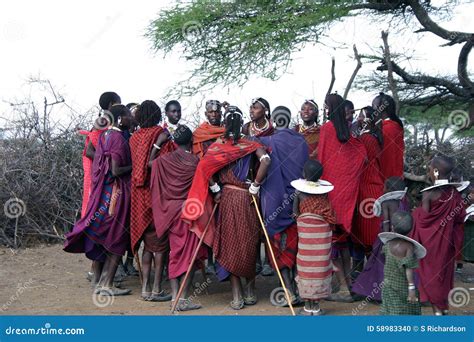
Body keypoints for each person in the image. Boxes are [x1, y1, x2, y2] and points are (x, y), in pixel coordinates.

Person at [182, 106, 271, 310]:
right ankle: (249, 292)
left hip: (228, 197)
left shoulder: (218, 145)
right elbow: (266, 160)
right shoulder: (251, 143)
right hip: (248, 198)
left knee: (230, 245)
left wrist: (215, 189)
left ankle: (237, 296)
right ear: (241, 124)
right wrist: (256, 186)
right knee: (248, 244)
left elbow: (204, 167)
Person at [64, 104, 132, 296]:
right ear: (119, 119)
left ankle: (98, 280)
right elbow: (116, 170)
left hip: (103, 193)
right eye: (127, 116)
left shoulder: (104, 136)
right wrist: (134, 167)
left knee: (104, 235)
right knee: (117, 236)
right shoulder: (118, 138)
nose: (131, 119)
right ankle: (107, 285)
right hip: (116, 194)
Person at [151, 125, 207, 311]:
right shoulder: (195, 162)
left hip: (170, 211)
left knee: (175, 254)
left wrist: (158, 145)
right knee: (189, 255)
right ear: (191, 142)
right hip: (189, 211)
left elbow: (150, 164)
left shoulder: (164, 159)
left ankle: (175, 297)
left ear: (174, 142)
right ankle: (182, 299)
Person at [317, 93, 367, 302]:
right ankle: (348, 285)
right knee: (342, 243)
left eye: (326, 105)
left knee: (331, 243)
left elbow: (322, 159)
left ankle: (343, 289)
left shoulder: (328, 129)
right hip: (346, 196)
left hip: (330, 193)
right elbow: (361, 154)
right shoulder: (348, 131)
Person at [258, 122, 309, 306]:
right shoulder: (302, 141)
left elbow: (249, 143)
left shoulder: (268, 140)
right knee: (296, 250)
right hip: (298, 201)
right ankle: (302, 292)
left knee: (279, 248)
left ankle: (288, 292)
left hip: (275, 202)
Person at [412, 155, 466, 315]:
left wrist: (415, 213)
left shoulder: (428, 194)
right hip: (447, 243)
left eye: (429, 168)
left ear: (435, 172)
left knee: (430, 275)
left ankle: (437, 312)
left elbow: (423, 221)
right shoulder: (454, 193)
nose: (428, 171)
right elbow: (460, 217)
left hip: (429, 244)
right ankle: (443, 309)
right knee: (443, 275)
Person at [129, 100, 171, 302]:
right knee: (160, 244)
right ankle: (156, 289)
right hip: (156, 194)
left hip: (137, 197)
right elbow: (162, 164)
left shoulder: (134, 138)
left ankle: (145, 287)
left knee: (147, 243)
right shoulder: (160, 134)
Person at [352, 176, 408, 301]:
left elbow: (387, 221)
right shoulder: (403, 202)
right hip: (401, 236)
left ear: (388, 189)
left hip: (386, 236)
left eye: (384, 187)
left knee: (379, 264)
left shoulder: (385, 203)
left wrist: (386, 239)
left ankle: (378, 294)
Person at [291, 160, 336, 315]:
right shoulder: (325, 193)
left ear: (304, 175)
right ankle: (316, 308)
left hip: (306, 238)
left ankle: (307, 307)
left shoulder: (299, 193)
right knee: (319, 266)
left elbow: (295, 213)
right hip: (322, 237)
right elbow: (330, 213)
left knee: (305, 267)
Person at [351, 107, 384, 271]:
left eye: (361, 116)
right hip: (373, 189)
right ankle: (371, 277)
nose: (358, 119)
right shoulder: (375, 137)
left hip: (366, 189)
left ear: (368, 120)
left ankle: (365, 277)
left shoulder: (366, 139)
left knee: (364, 236)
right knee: (369, 236)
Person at [379, 211, 426, 315]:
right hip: (404, 287)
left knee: (390, 310)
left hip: (389, 285)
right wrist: (411, 288)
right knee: (406, 311)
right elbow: (409, 269)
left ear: (392, 227)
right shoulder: (409, 247)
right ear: (411, 230)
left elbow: (384, 257)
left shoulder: (387, 244)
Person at [373, 92, 404, 180]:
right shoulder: (393, 126)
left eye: (373, 107)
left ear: (381, 109)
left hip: (388, 179)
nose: (372, 111)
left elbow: (387, 158)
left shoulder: (388, 128)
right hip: (394, 178)